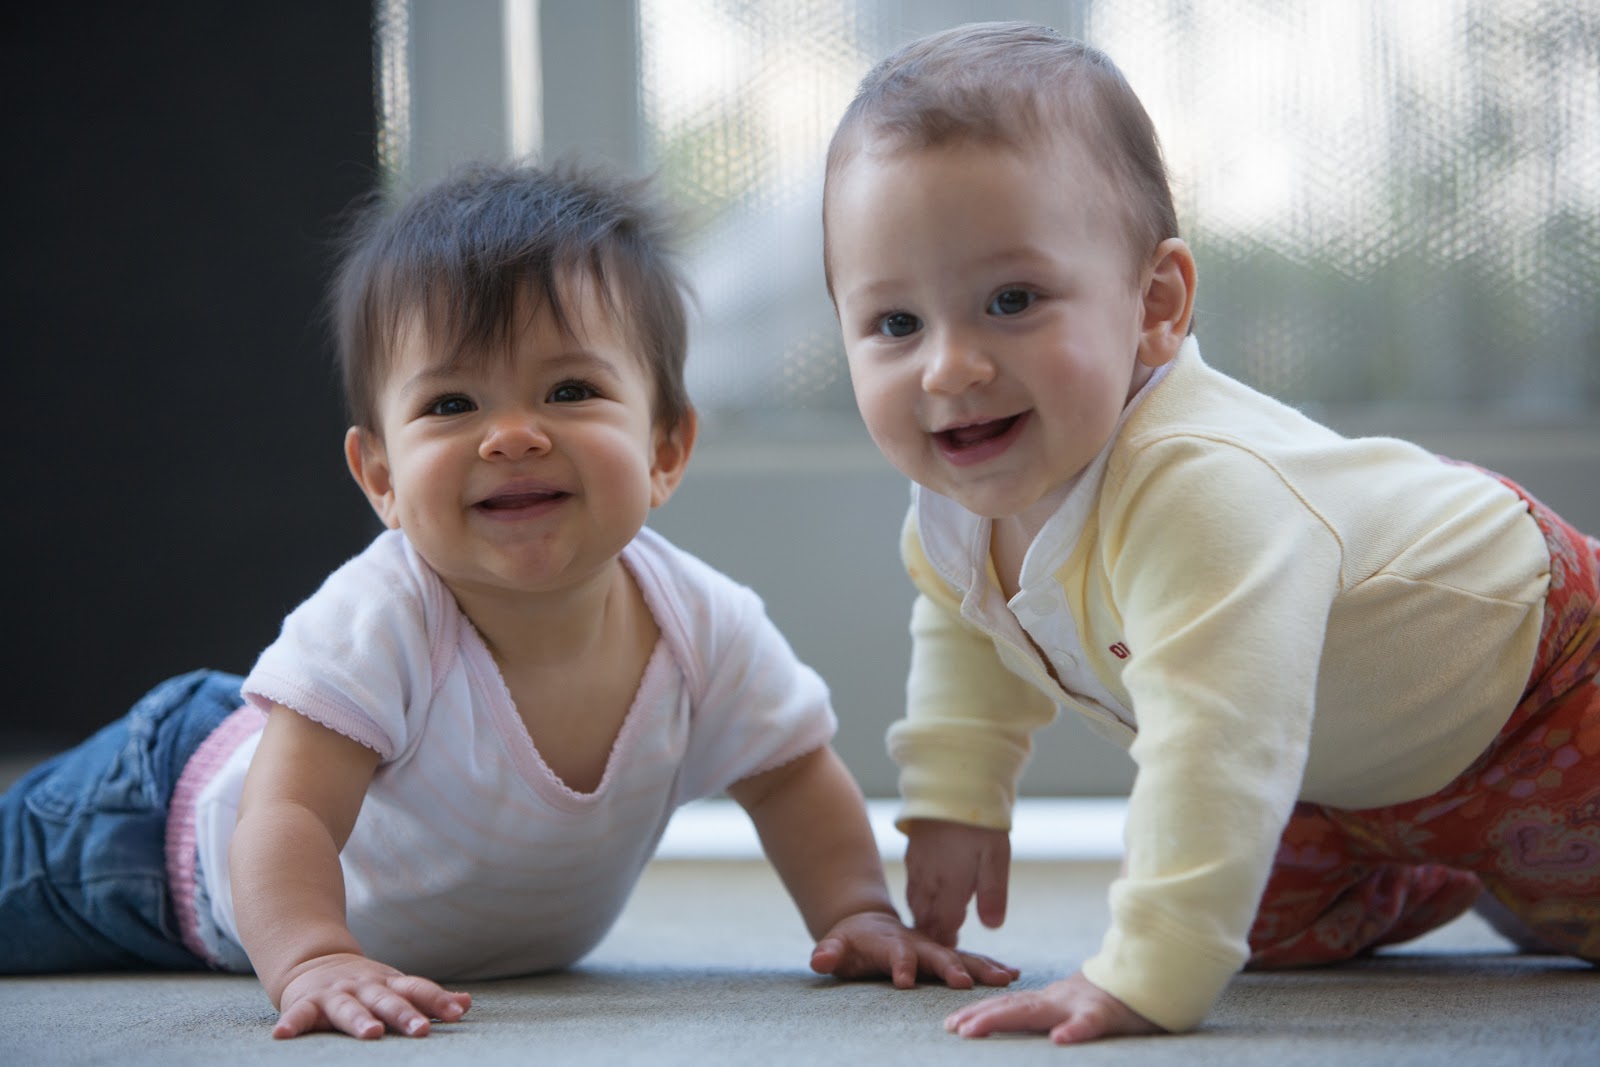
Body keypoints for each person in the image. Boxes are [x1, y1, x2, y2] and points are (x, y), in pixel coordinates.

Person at [0, 160, 1018, 1040]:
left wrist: (854, 910)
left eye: (570, 390)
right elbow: (290, 811)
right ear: (382, 477)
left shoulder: (701, 625)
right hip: (148, 831)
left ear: (666, 448)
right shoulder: (383, 615)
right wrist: (313, 956)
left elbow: (792, 775)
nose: (513, 434)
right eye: (452, 404)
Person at [821, 20, 1600, 1046]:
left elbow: (1216, 739)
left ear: (1155, 303)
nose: (948, 367)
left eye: (1011, 301)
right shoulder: (957, 513)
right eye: (895, 324)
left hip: (1544, 679)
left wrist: (1145, 976)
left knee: (1196, 897)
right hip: (1340, 773)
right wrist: (957, 799)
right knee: (1246, 916)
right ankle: (1457, 859)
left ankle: (1512, 853)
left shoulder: (1200, 489)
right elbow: (971, 634)